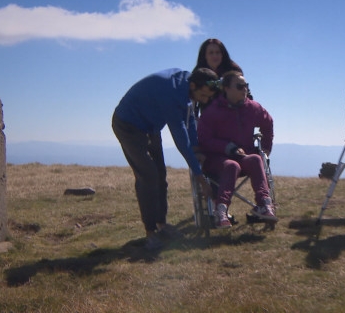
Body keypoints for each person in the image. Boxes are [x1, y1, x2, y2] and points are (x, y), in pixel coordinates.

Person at [112, 67, 218, 249]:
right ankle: (150, 233)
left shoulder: (187, 84)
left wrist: (197, 148)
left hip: (150, 126)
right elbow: (181, 139)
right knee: (148, 176)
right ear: (193, 86)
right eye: (204, 95)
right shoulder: (171, 93)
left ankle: (161, 224)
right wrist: (200, 176)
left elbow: (190, 118)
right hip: (128, 125)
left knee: (160, 174)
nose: (206, 100)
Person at [197, 71, 276, 228]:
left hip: (243, 156)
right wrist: (227, 147)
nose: (244, 89)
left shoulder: (252, 108)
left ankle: (264, 204)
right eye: (240, 86)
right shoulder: (212, 112)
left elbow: (268, 123)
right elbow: (204, 140)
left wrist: (266, 148)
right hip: (216, 159)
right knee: (231, 165)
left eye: (246, 86)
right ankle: (221, 210)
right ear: (226, 88)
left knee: (255, 159)